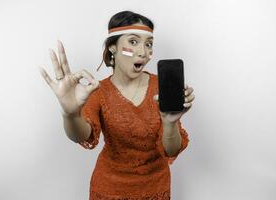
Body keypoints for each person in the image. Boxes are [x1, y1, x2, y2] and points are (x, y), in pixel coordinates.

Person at [39, 10, 195, 200]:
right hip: (109, 189)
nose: (143, 52)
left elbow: (172, 150)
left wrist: (170, 122)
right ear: (113, 47)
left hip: (155, 188)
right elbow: (83, 134)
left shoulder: (161, 88)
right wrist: (70, 114)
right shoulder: (98, 91)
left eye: (149, 44)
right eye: (133, 42)